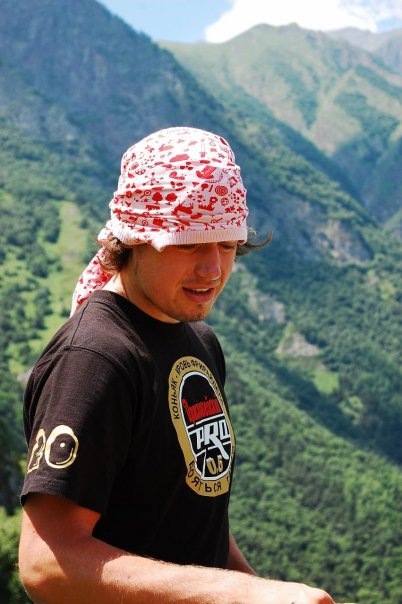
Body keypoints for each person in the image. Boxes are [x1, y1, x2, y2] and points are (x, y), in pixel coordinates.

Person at [19, 126, 335, 603]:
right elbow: (46, 564)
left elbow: (194, 512)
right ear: (135, 238)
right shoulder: (94, 360)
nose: (213, 269)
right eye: (189, 243)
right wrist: (235, 594)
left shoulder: (198, 341)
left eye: (227, 244)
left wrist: (256, 589)